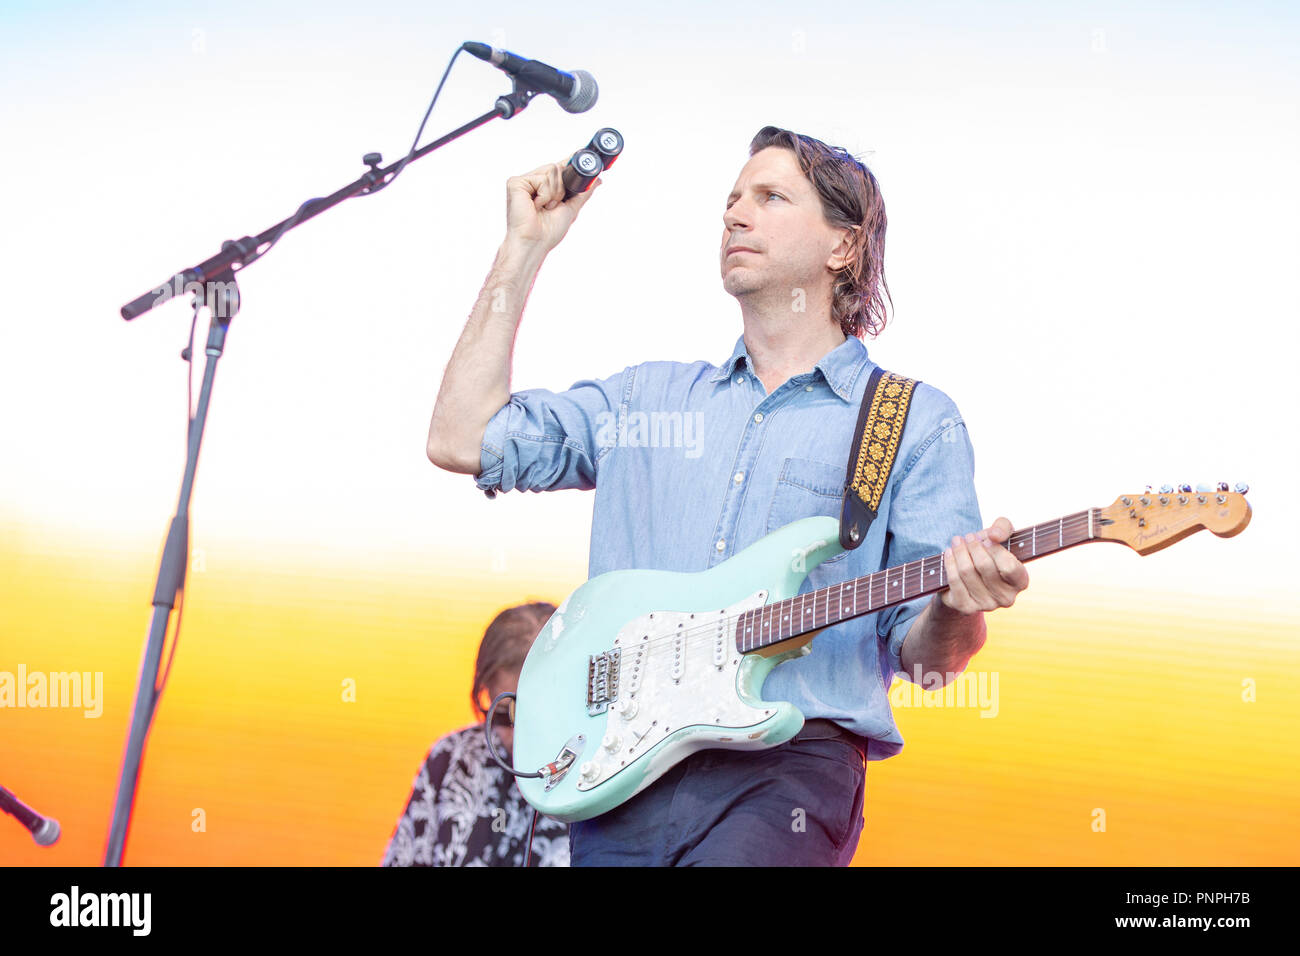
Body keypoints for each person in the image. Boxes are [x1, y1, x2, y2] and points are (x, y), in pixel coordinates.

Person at [425, 126, 1029, 866]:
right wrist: (523, 249)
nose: (735, 215)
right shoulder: (645, 399)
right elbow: (460, 438)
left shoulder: (911, 423)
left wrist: (958, 603)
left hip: (786, 774)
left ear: (846, 245)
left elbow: (931, 655)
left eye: (770, 197)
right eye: (731, 201)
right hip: (619, 771)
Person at [381, 601, 569, 867]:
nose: (515, 737)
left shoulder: (599, 771)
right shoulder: (451, 757)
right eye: (502, 715)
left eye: (532, 717)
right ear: (487, 690)